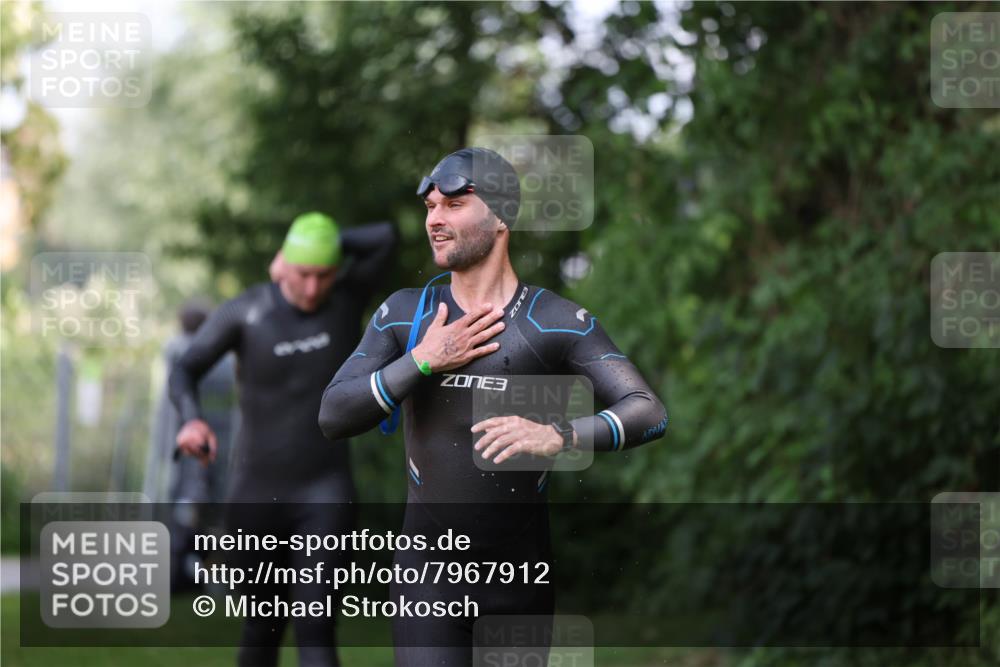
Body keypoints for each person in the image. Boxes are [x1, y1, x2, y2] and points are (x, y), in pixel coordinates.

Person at [319, 148, 668, 666]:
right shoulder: (406, 315)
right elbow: (333, 414)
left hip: (519, 576)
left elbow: (647, 409)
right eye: (431, 207)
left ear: (502, 216)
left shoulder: (554, 320)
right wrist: (422, 361)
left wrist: (561, 436)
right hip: (428, 576)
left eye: (455, 204)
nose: (435, 219)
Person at [170, 213, 397, 667]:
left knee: (316, 622)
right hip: (254, 494)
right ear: (283, 264)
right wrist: (192, 419)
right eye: (303, 273)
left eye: (324, 274)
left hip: (325, 491)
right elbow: (184, 368)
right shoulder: (248, 310)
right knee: (262, 624)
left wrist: (328, 238)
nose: (313, 288)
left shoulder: (347, 300)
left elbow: (387, 237)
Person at [144, 299, 237, 592]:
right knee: (200, 509)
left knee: (186, 507)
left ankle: (185, 573)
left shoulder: (177, 351)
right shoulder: (222, 358)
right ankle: (190, 571)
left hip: (186, 446)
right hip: (213, 445)